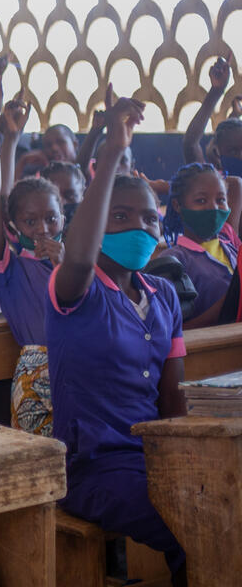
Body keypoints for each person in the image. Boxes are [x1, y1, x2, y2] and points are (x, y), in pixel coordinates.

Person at [48, 96, 187, 579]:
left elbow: (173, 402)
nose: (140, 227)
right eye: (121, 217)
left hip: (155, 460)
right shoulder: (76, 288)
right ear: (92, 226)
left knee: (221, 510)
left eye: (149, 218)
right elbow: (80, 257)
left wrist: (193, 462)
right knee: (194, 527)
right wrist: (110, 154)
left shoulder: (164, 295)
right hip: (93, 470)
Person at [0, 67, 64, 436]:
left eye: (51, 219)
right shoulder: (9, 268)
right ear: (13, 227)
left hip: (87, 363)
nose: (42, 229)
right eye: (30, 222)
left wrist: (66, 264)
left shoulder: (76, 259)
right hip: (37, 374)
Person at [150, 162, 241, 328]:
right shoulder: (174, 259)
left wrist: (164, 186)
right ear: (177, 205)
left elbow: (236, 183)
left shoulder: (229, 241)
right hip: (214, 350)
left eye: (221, 200)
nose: (213, 208)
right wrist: (232, 299)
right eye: (201, 200)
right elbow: (172, 330)